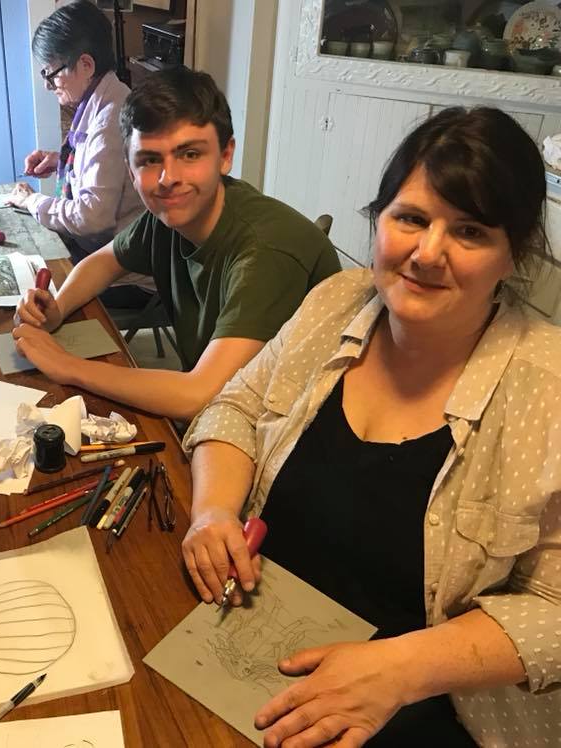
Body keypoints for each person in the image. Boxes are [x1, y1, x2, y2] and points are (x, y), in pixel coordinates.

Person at [181, 107, 561, 746]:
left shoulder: (548, 386)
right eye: (411, 218)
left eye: (469, 232)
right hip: (251, 642)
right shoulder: (339, 299)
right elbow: (236, 406)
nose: (427, 252)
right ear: (379, 220)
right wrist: (212, 512)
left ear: (513, 255)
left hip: (426, 705)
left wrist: (400, 669)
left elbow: (553, 612)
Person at [14, 67, 340, 421]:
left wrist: (67, 365)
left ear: (226, 155)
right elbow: (104, 262)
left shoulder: (263, 252)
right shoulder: (169, 217)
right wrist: (58, 309)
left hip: (288, 426)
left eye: (190, 155)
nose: (168, 179)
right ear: (130, 168)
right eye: (150, 160)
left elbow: (199, 395)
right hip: (233, 409)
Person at [6, 0, 149, 308]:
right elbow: (106, 161)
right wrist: (62, 160)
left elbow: (91, 218)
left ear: (86, 65)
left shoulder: (111, 117)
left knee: (25, 290)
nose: (47, 85)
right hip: (103, 250)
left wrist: (32, 200)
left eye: (51, 73)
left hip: (121, 272)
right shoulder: (105, 98)